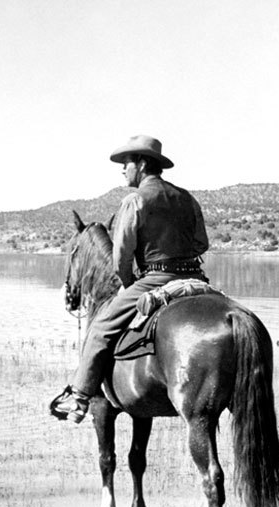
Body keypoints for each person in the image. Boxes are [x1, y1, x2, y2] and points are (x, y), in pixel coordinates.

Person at [51, 135, 209, 423]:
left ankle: (79, 396)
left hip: (154, 279)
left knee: (100, 327)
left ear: (143, 164)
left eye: (127, 163)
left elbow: (121, 255)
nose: (123, 170)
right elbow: (201, 245)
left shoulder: (135, 200)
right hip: (195, 277)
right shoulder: (187, 198)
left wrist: (129, 281)